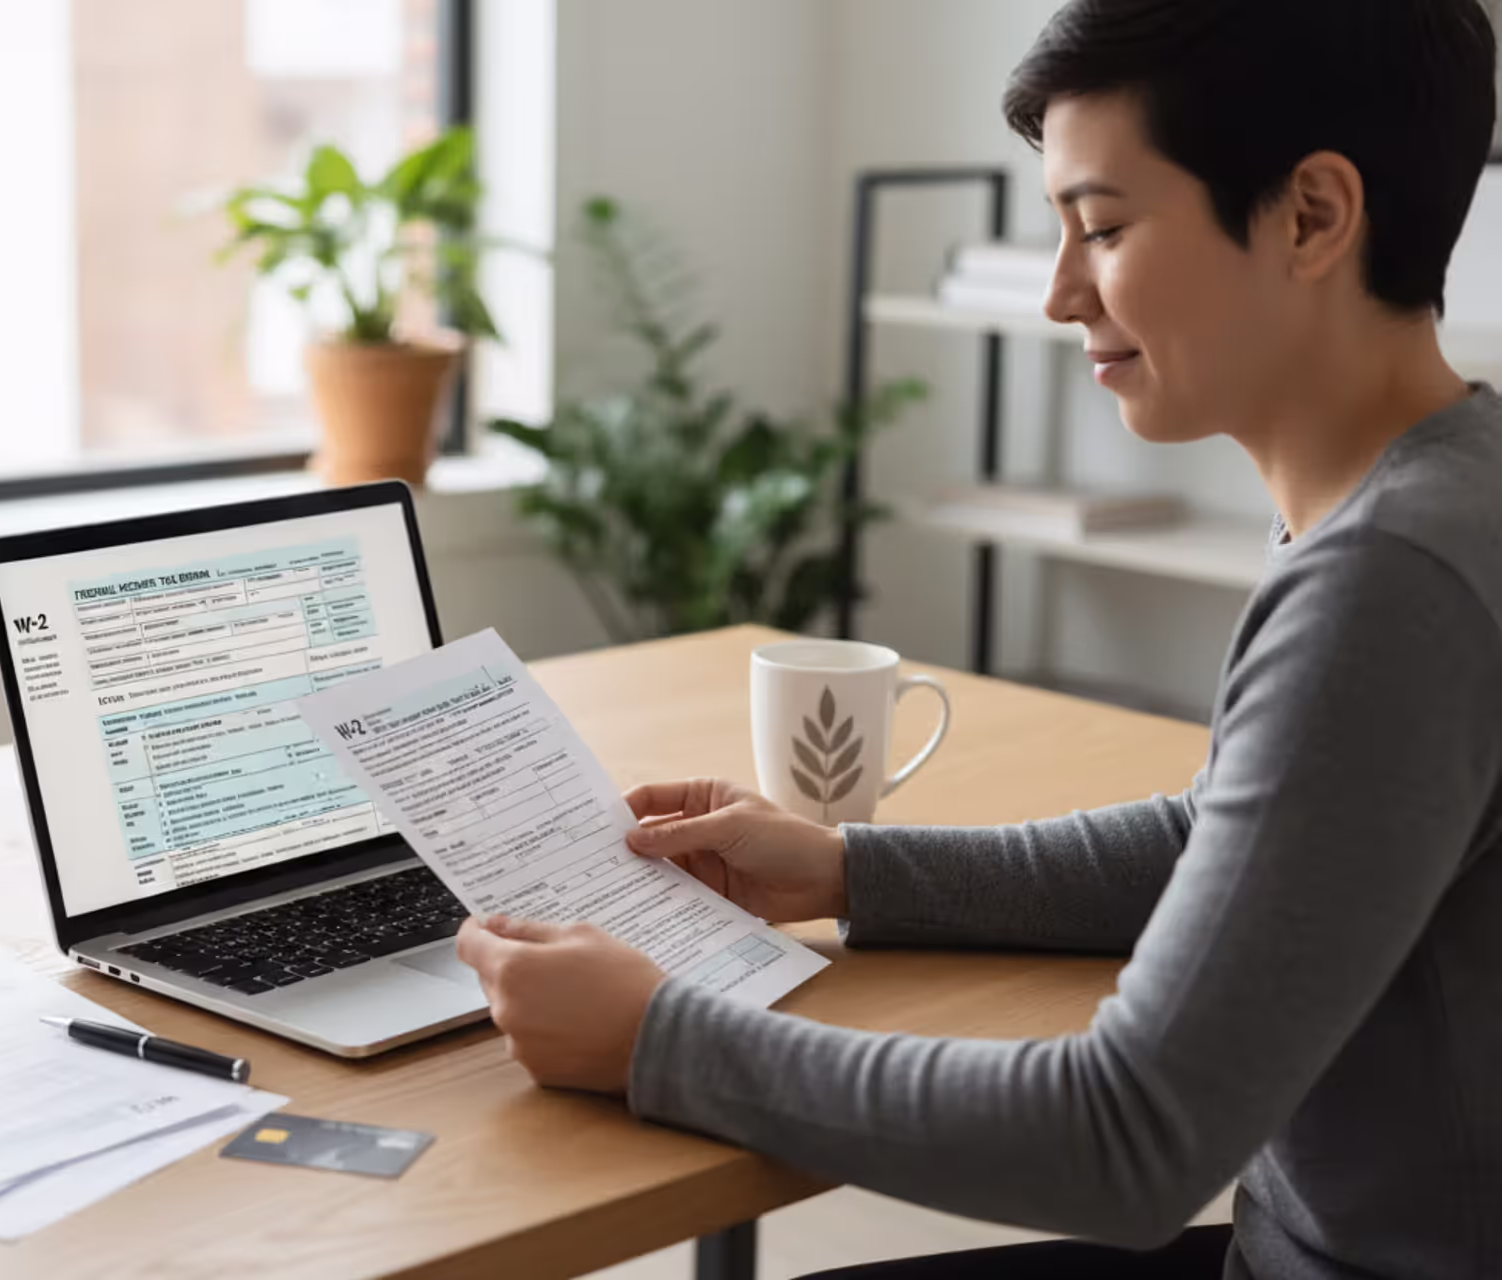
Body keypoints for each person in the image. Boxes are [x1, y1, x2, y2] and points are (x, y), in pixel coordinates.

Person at [452, 1, 1502, 1276]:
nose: (1063, 293)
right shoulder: (1442, 488)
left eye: (1104, 228)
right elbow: (1227, 834)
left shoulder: (1388, 579)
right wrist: (847, 868)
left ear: (1312, 216)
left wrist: (656, 1036)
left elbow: (1128, 1137)